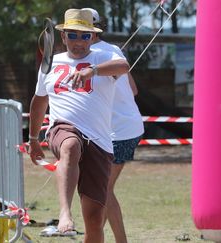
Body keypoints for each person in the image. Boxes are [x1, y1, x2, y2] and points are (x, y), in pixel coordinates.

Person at [28, 9, 130, 243]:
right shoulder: (51, 64)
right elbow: (39, 101)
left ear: (93, 38)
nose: (78, 41)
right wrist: (33, 140)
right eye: (72, 35)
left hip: (99, 142)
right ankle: (64, 212)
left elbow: (123, 67)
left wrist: (91, 71)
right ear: (63, 37)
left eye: (85, 36)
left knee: (94, 220)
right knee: (71, 145)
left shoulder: (103, 57)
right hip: (61, 129)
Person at [83, 8, 144, 243]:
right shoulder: (114, 50)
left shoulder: (88, 57)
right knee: (104, 190)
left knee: (104, 191)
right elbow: (134, 90)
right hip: (129, 127)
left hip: (117, 131)